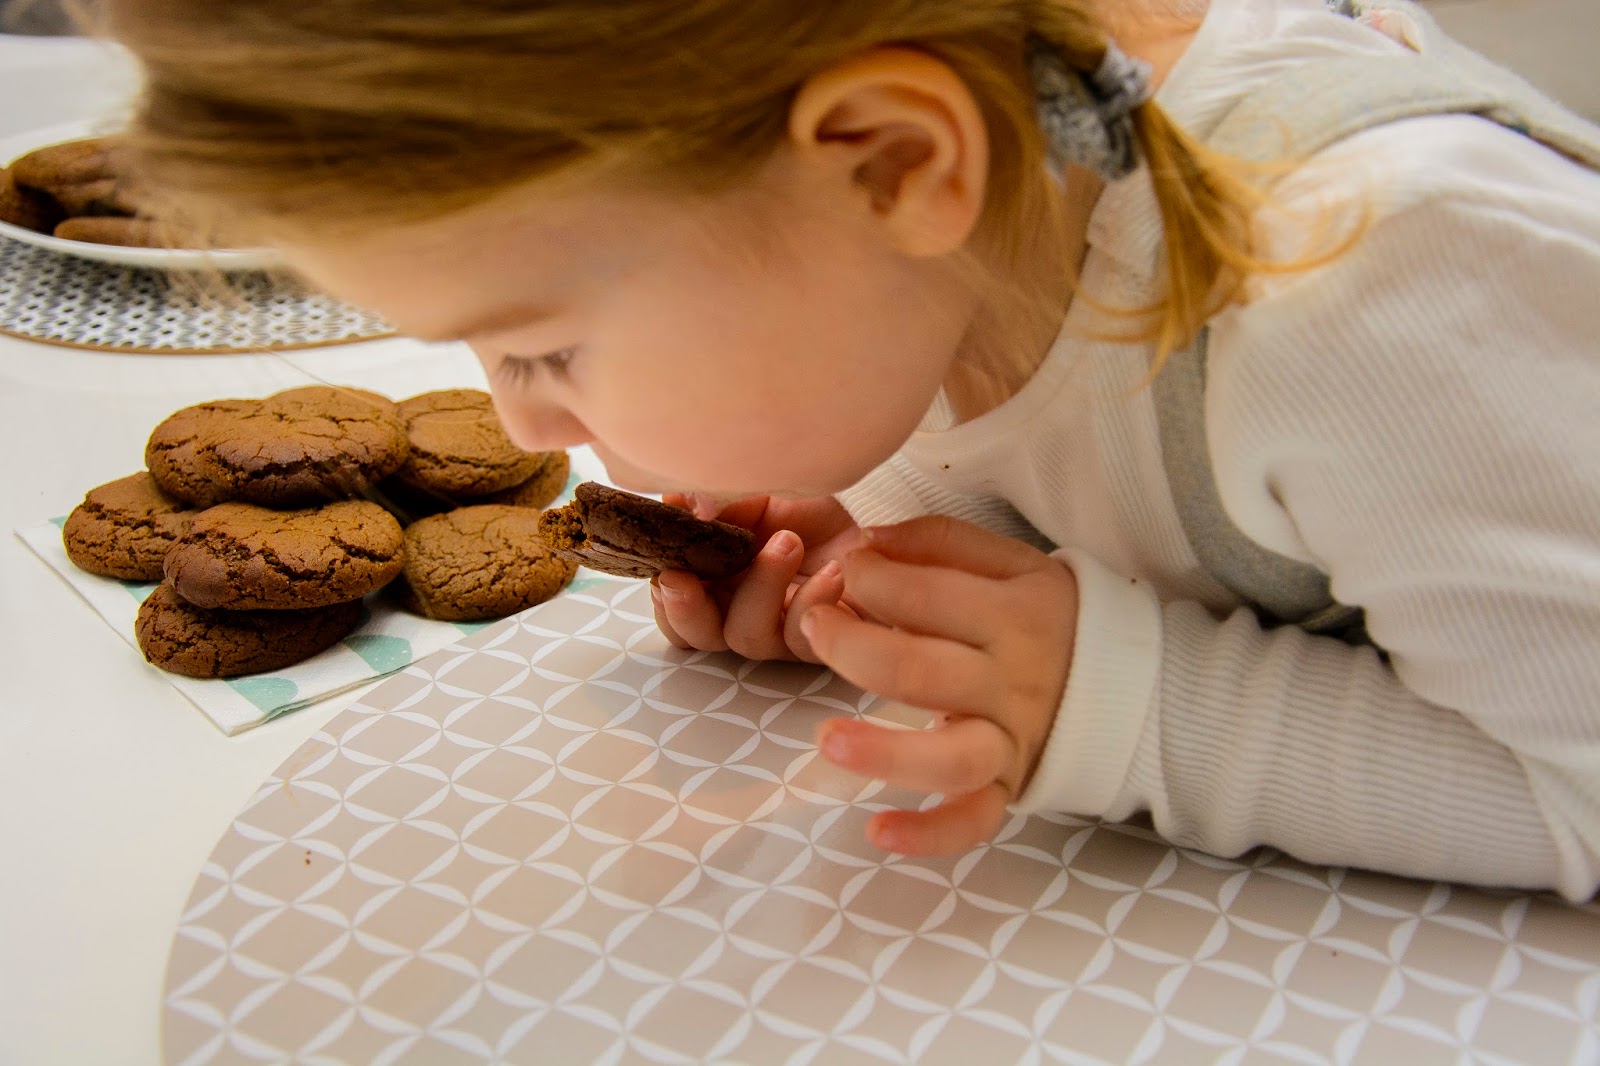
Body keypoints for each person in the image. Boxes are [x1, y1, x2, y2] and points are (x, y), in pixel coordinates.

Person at [104, 0, 1600, 900]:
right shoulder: (943, 266)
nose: (524, 429)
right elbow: (1103, 470)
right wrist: (919, 554)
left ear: (892, 161)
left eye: (542, 347)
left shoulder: (1378, 285)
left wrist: (1130, 708)